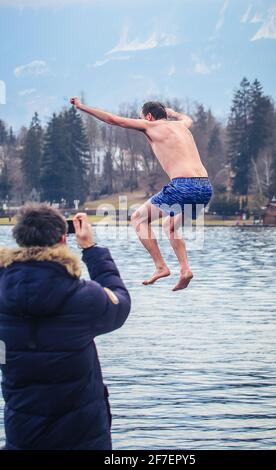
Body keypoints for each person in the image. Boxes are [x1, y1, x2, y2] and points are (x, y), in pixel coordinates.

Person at [0, 203, 131, 450]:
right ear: (63, 238)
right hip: (82, 438)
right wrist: (91, 249)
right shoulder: (84, 297)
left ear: (19, 239)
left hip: (22, 435)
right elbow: (120, 303)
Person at [70, 98, 213, 291]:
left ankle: (161, 266)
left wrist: (81, 107)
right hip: (205, 187)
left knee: (138, 218)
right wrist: (173, 113)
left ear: (149, 116)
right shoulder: (181, 125)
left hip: (183, 186)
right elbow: (188, 118)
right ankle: (185, 269)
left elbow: (113, 119)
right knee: (170, 225)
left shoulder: (150, 125)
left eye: (141, 117)